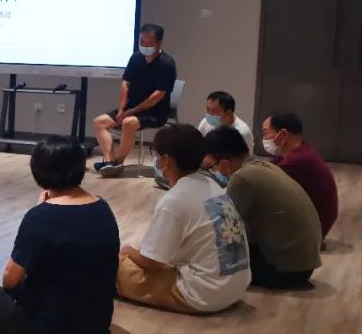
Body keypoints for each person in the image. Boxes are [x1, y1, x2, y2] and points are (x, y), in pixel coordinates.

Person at [0, 136, 120, 334]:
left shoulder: (41, 216)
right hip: (98, 326)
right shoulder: (102, 206)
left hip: (50, 330)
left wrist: (40, 210)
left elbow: (9, 281)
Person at [116, 124, 251, 313]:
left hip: (205, 293)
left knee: (113, 267)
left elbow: (153, 263)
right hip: (236, 286)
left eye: (156, 153)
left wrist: (128, 252)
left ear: (165, 160)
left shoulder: (174, 200)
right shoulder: (213, 186)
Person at [204, 126, 321, 289]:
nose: (213, 171)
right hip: (303, 264)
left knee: (208, 257)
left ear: (224, 163)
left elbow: (223, 229)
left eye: (212, 166)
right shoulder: (264, 166)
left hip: (285, 270)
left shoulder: (241, 177)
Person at [93, 23, 177, 176]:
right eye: (141, 41)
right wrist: (121, 109)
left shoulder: (167, 64)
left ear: (159, 43)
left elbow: (158, 95)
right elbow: (125, 84)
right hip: (130, 108)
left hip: (155, 112)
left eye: (148, 43)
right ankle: (110, 162)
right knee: (99, 122)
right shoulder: (135, 58)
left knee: (128, 122)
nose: (143, 46)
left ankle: (118, 162)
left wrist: (132, 111)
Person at [262, 112, 338, 239]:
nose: (264, 138)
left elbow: (266, 189)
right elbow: (267, 169)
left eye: (266, 132)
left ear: (283, 134)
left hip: (311, 231)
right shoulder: (297, 151)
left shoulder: (297, 161)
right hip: (313, 220)